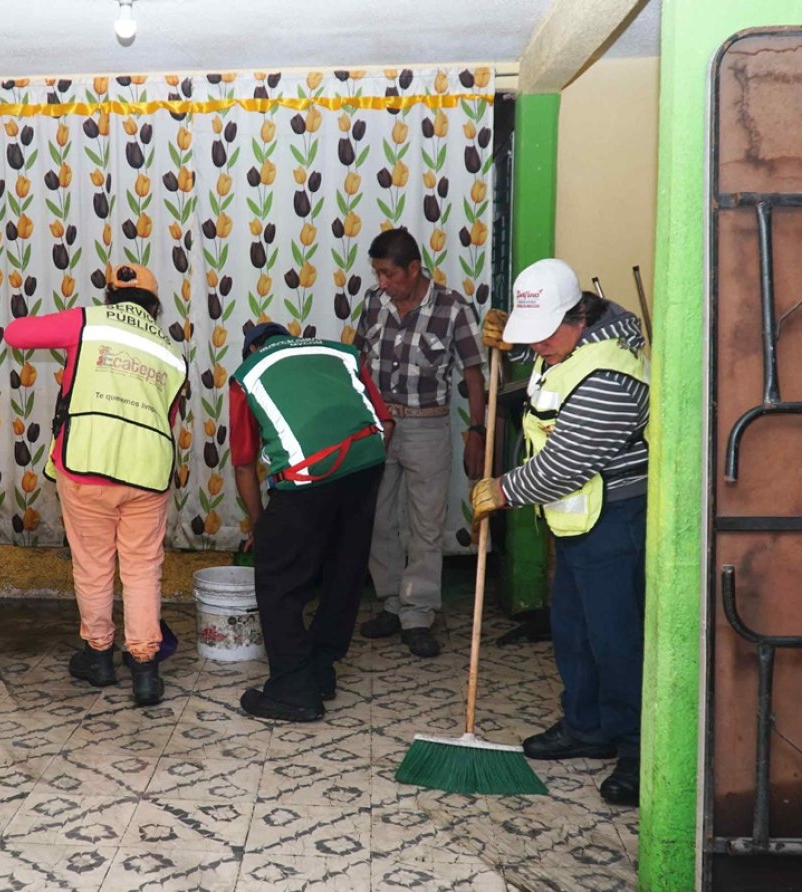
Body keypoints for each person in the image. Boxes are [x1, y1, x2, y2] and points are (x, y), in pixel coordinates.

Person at [472, 257, 649, 807]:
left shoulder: (613, 375)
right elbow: (550, 381)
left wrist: (503, 490)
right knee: (573, 629)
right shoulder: (570, 343)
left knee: (618, 641)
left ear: (577, 316)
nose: (537, 346)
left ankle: (639, 750)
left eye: (542, 335)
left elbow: (565, 463)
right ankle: (587, 726)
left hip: (616, 522)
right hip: (577, 521)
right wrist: (514, 344)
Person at [4, 264, 186, 707]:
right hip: (148, 472)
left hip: (86, 463)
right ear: (155, 307)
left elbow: (14, 334)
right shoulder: (170, 351)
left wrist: (74, 326)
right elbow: (169, 417)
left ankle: (100, 658)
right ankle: (145, 670)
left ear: (111, 297)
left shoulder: (88, 321)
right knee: (143, 569)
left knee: (93, 566)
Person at [230, 323, 389, 721]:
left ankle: (293, 690)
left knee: (278, 580)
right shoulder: (340, 354)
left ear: (253, 349)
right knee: (344, 570)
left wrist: (259, 524)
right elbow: (388, 421)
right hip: (367, 461)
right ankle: (320, 669)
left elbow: (244, 465)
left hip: (308, 477)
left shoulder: (248, 374)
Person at [355, 227, 487, 657]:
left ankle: (417, 613)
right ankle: (391, 604)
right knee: (376, 518)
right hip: (379, 426)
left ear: (414, 269)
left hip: (428, 428)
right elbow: (357, 361)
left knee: (426, 525)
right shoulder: (374, 304)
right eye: (377, 273)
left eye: (389, 274)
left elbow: (473, 373)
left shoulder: (453, 309)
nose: (382, 283)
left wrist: (477, 431)